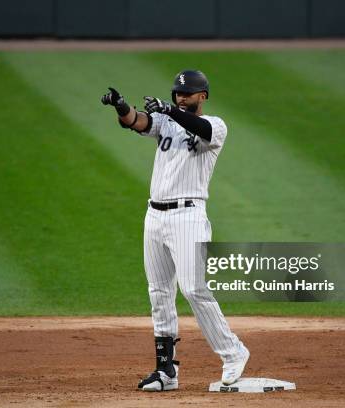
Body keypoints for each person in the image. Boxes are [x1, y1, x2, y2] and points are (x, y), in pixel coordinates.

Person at [100, 70, 249, 392]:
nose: (181, 97)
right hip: (154, 215)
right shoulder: (167, 122)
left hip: (188, 216)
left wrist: (170, 111)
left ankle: (233, 352)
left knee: (194, 288)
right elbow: (137, 122)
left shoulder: (216, 126)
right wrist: (120, 106)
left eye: (189, 93)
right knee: (159, 292)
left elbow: (201, 128)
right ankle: (166, 371)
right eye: (178, 93)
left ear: (202, 96)